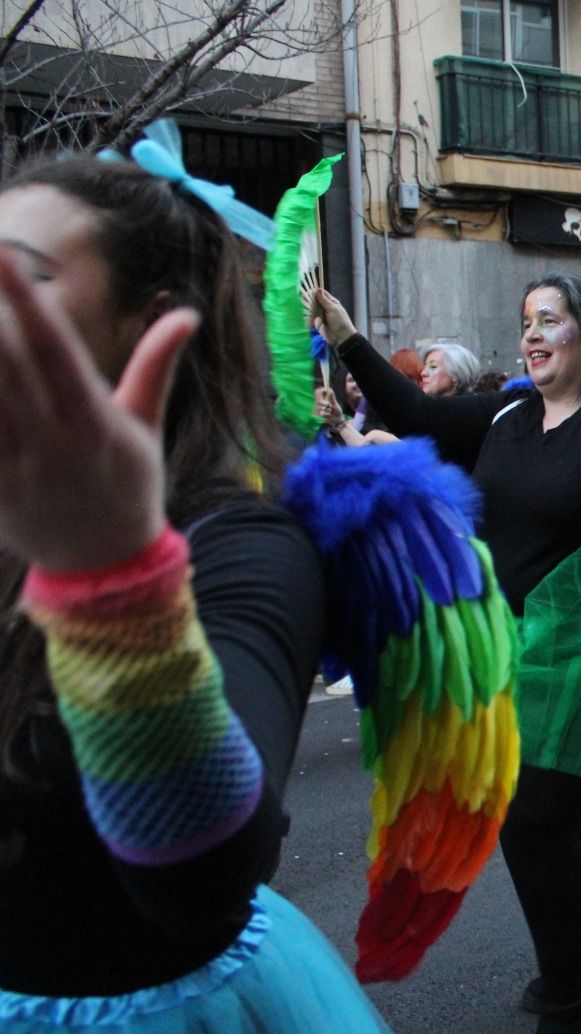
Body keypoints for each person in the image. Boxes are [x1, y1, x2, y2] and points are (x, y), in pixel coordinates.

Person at [0, 153, 386, 1030]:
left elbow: (203, 884)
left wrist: (109, 589)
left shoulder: (241, 545)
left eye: (21, 277)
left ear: (152, 327)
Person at [317, 276, 581, 1034]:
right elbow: (414, 414)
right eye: (525, 322)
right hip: (515, 643)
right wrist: (345, 334)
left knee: (535, 820)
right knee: (563, 814)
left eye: (550, 320)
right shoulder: (506, 413)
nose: (532, 335)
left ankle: (568, 1004)